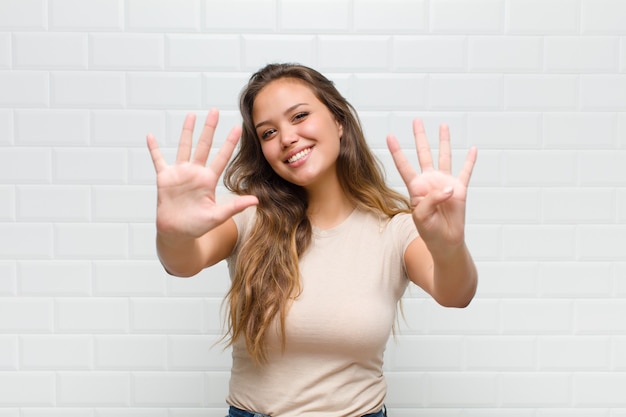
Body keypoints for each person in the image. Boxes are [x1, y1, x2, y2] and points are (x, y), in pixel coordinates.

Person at [146, 63, 478, 417]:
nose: (287, 137)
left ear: (339, 120)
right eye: (268, 132)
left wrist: (449, 246)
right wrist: (174, 234)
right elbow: (182, 262)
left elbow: (456, 294)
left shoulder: (395, 229)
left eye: (300, 115)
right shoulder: (248, 216)